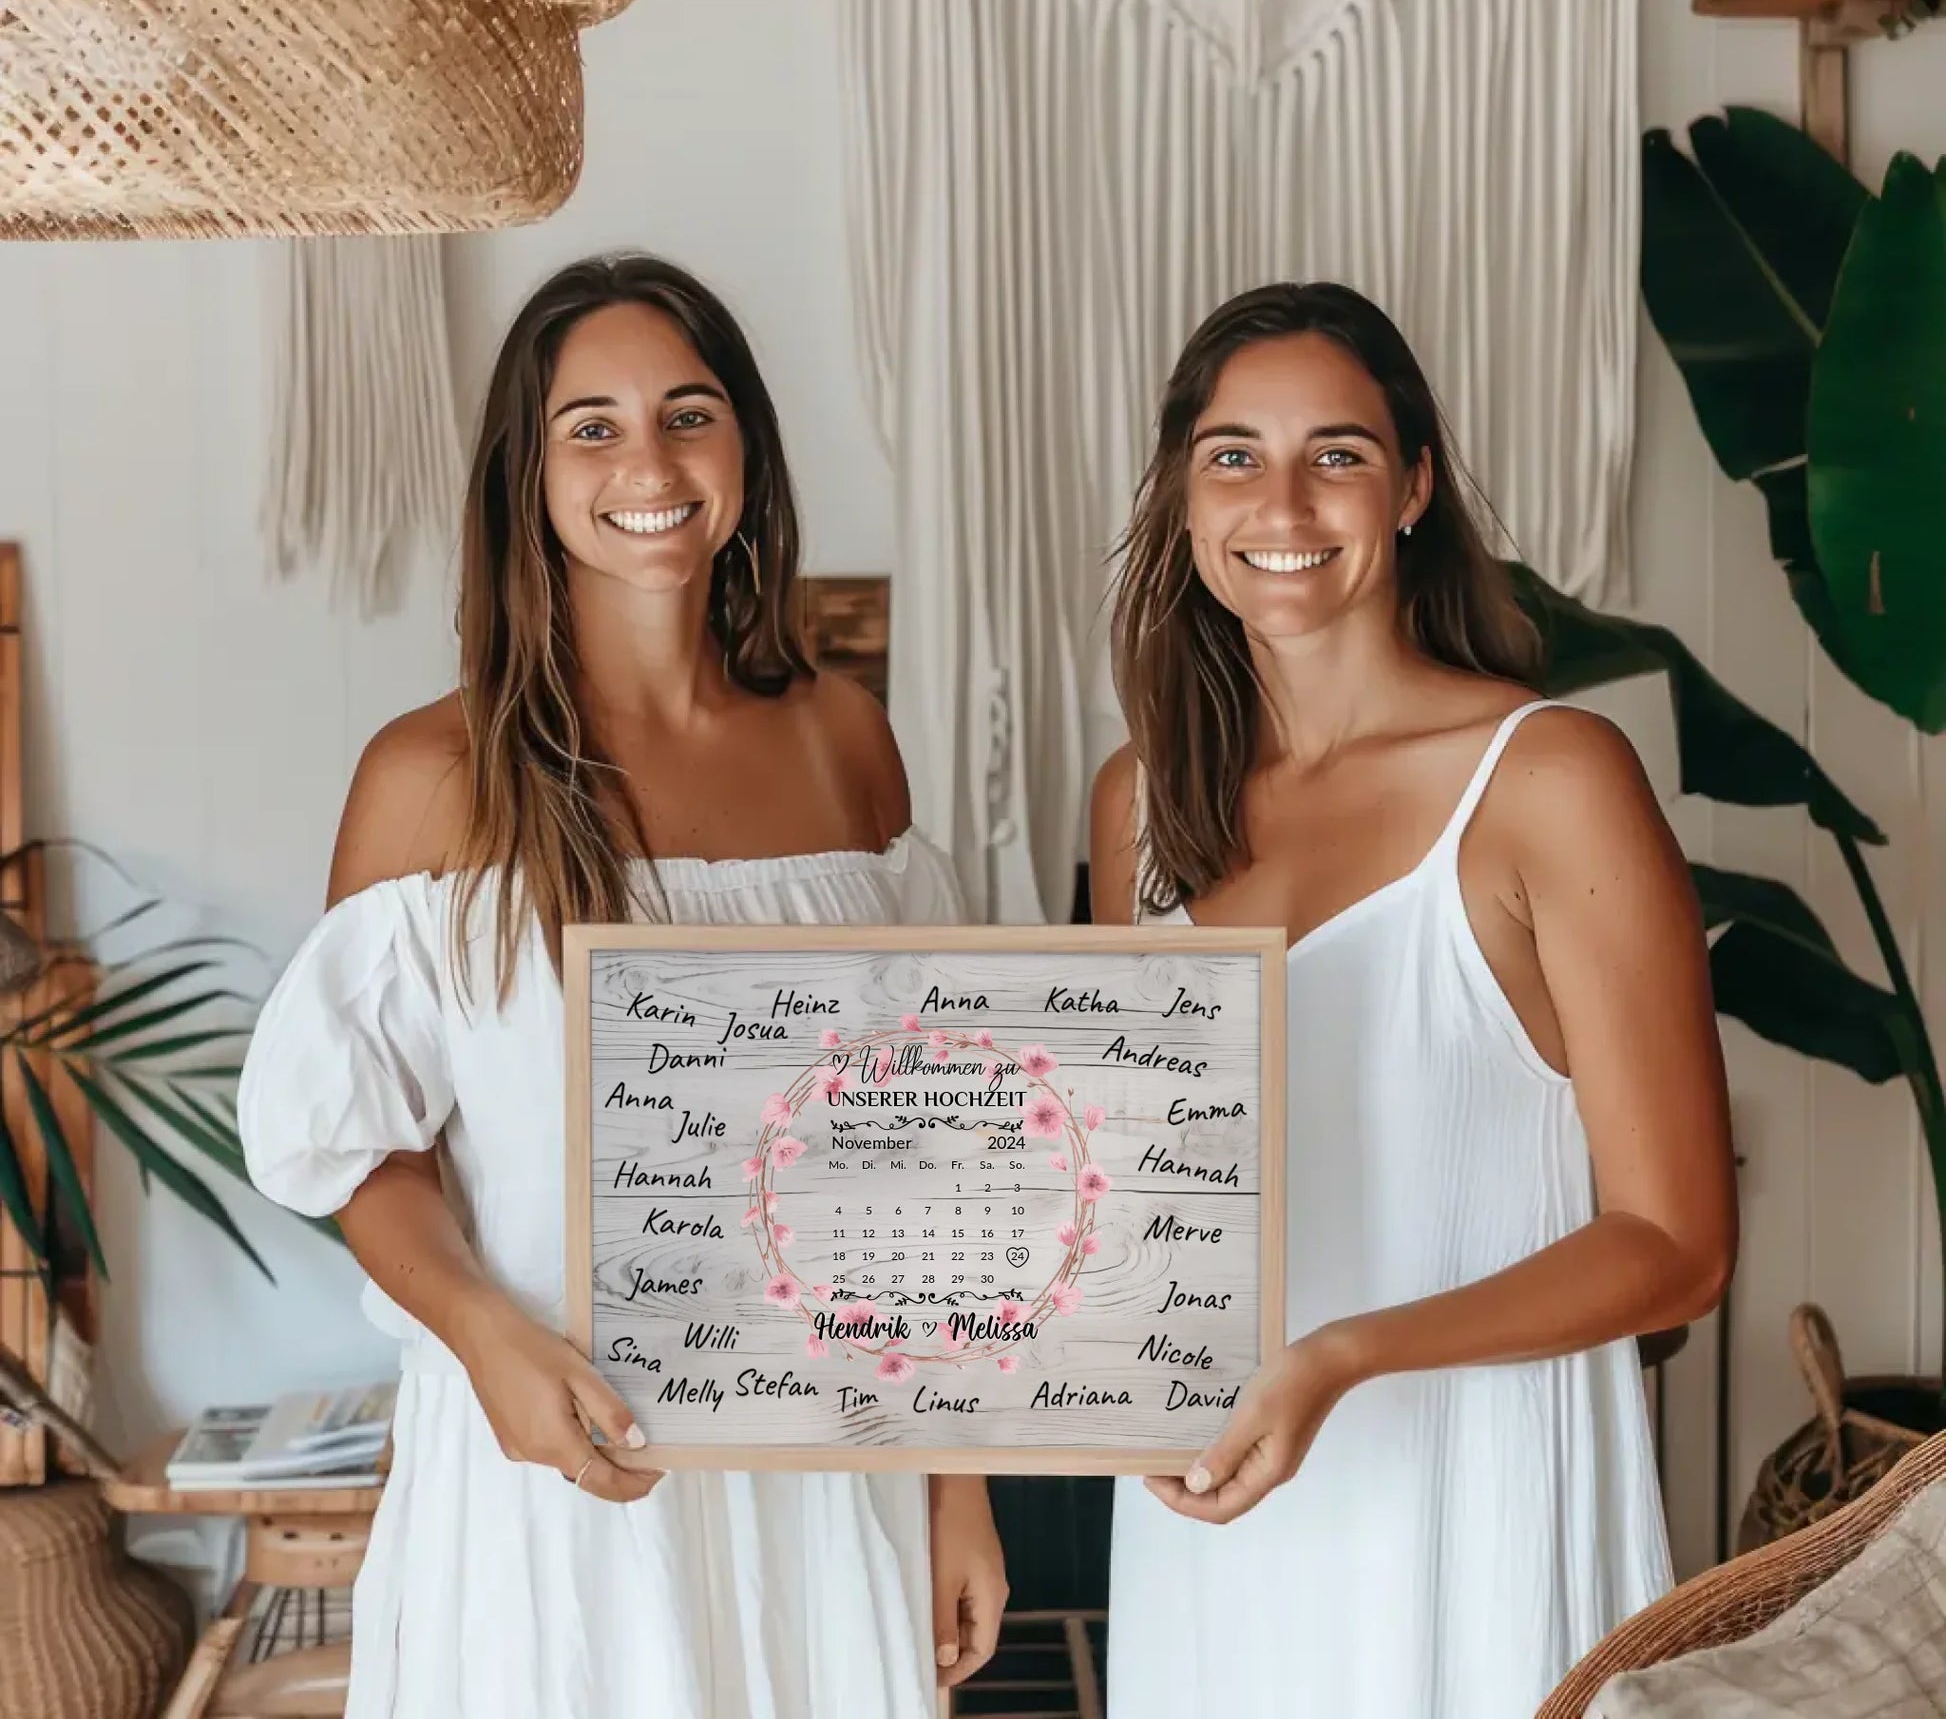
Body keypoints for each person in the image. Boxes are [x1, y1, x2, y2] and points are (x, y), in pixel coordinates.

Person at [238, 254, 1006, 1718]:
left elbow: (924, 1140)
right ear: (525, 477)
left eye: (687, 414)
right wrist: (485, 1337)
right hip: (557, 1461)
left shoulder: (845, 739)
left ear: (745, 448)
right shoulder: (433, 775)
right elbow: (360, 1144)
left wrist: (955, 1483)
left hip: (830, 1459)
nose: (648, 464)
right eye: (590, 427)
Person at [1092, 282, 1736, 1717]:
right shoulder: (1137, 804)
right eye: (1233, 455)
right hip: (1211, 1510)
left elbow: (1677, 1246)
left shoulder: (1550, 777)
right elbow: (1126, 1192)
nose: (1282, 502)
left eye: (1336, 453)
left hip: (1469, 1504)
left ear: (1413, 488)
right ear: (1183, 495)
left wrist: (1345, 1358)